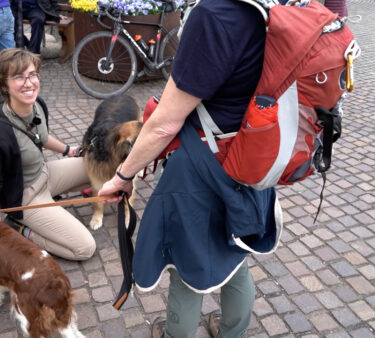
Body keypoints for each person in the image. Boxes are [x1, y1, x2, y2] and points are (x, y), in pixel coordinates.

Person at [98, 0, 281, 337]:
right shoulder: (270, 5)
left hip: (205, 163)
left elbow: (164, 125)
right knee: (236, 251)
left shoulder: (214, 13)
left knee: (186, 266)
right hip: (254, 153)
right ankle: (232, 332)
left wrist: (123, 177)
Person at [0, 48, 96, 261]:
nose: (29, 83)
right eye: (18, 77)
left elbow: (42, 137)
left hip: (46, 175)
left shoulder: (37, 104)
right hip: (26, 198)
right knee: (85, 248)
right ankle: (20, 228)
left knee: (96, 164)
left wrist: (70, 151)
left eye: (32, 74)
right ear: (4, 85)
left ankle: (52, 204)